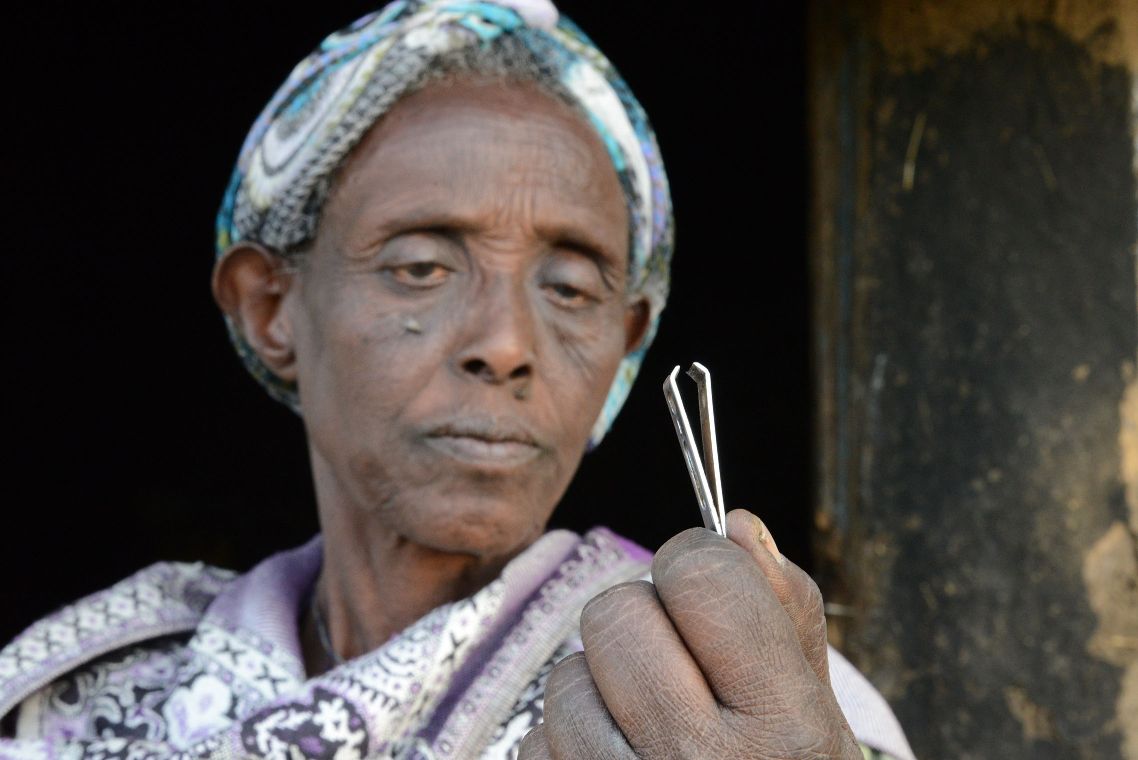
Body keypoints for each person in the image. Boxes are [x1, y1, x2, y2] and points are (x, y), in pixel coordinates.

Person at [0, 2, 915, 758]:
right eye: (421, 268)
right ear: (271, 308)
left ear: (625, 344)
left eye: (570, 287)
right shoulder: (73, 707)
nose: (506, 344)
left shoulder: (754, 709)